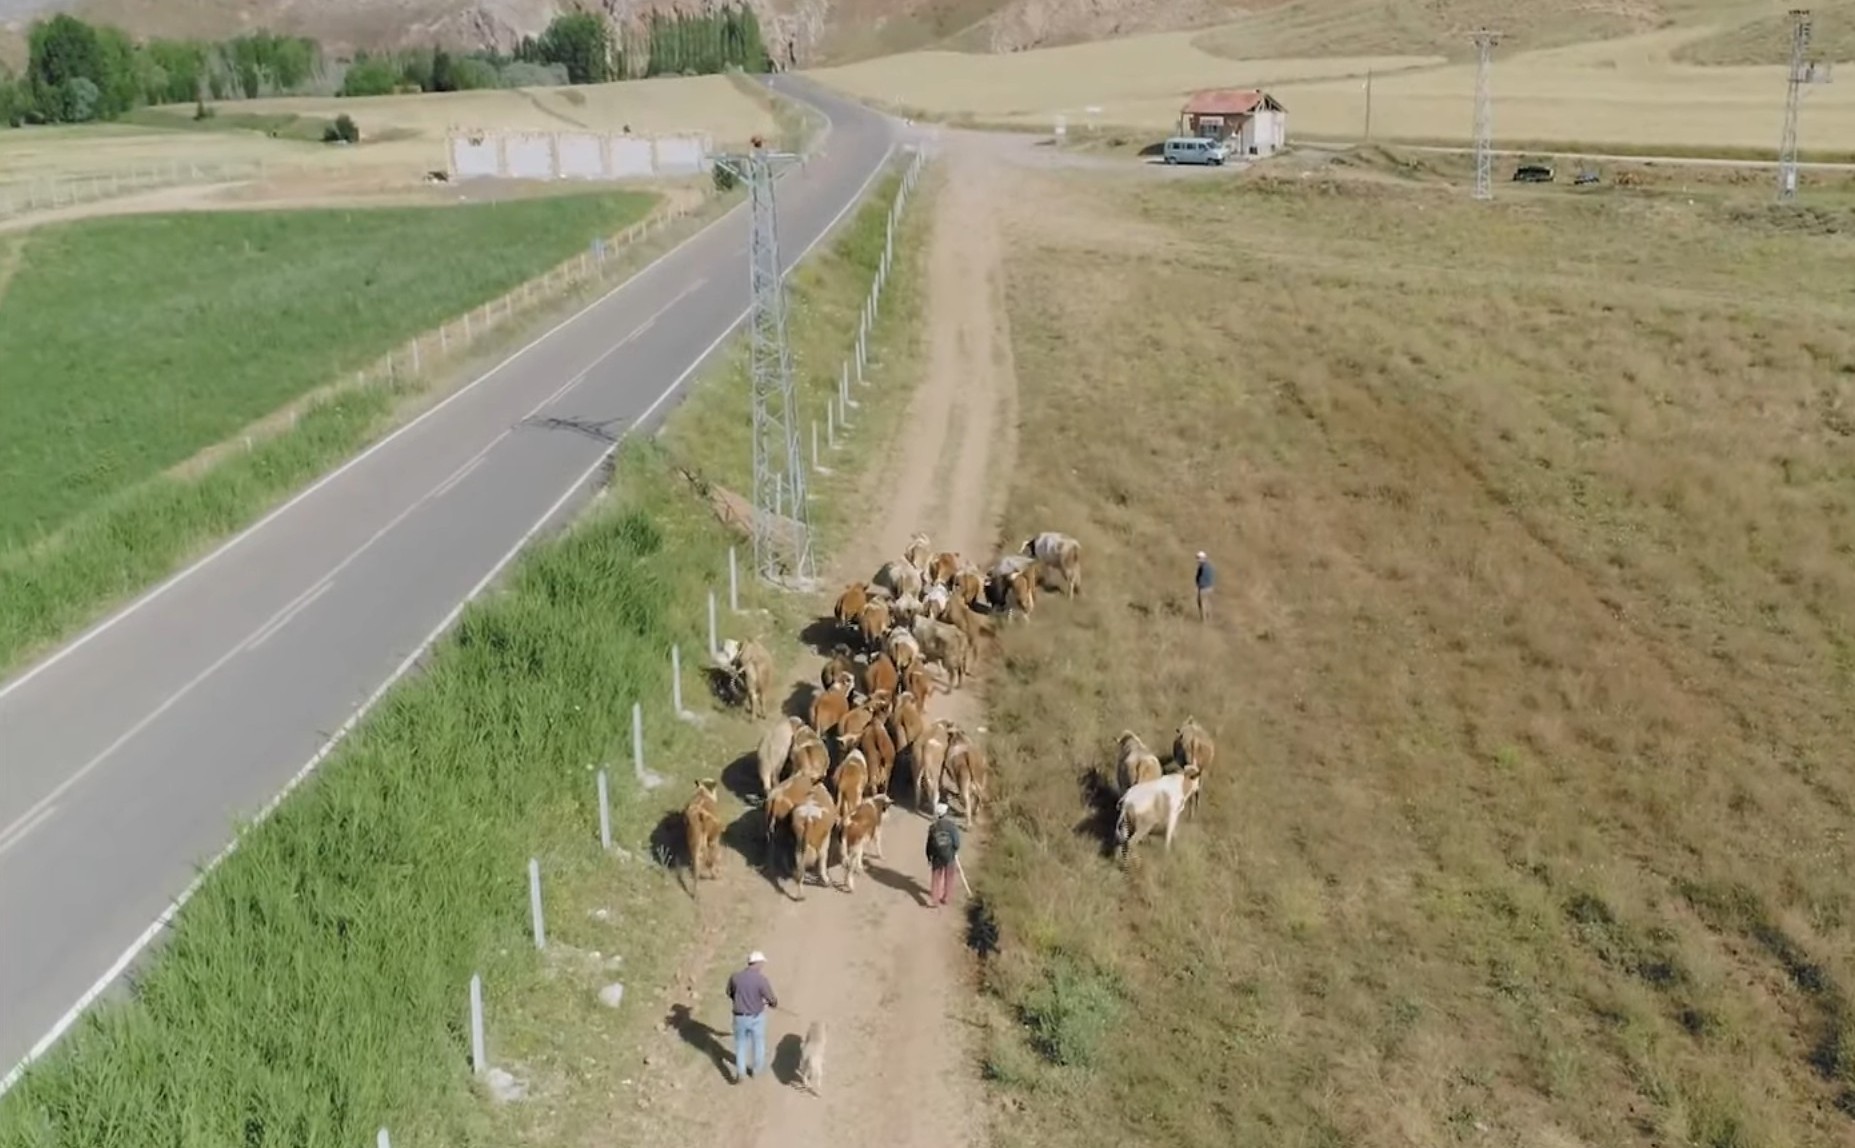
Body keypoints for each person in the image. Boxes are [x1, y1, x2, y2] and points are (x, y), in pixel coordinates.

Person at [726, 950, 778, 1083]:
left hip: (739, 1017)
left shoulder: (735, 977)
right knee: (759, 1044)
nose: (762, 966)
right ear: (758, 963)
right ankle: (756, 1070)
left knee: (740, 1045)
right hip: (756, 1017)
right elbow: (771, 998)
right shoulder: (761, 980)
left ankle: (741, 1073)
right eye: (762, 963)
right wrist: (772, 1003)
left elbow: (729, 992)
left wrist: (738, 1000)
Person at [925, 802, 963, 908]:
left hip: (937, 857)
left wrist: (929, 857)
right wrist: (955, 850)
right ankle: (947, 897)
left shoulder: (933, 827)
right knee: (949, 876)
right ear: (946, 814)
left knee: (936, 878)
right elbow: (956, 842)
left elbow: (929, 844)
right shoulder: (951, 826)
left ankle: (934, 900)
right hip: (949, 855)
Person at [1194, 550, 1216, 623]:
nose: (1197, 560)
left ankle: (1204, 621)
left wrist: (1198, 585)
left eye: (1198, 558)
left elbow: (1201, 578)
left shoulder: (1203, 567)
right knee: (1208, 604)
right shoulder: (1209, 566)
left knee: (1203, 604)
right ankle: (1209, 619)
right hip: (1210, 588)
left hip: (1204, 588)